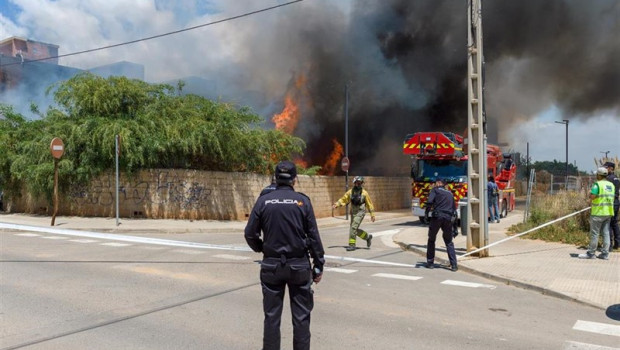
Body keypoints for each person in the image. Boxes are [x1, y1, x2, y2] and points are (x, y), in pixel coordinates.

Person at [244, 161, 325, 350]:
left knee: (271, 318)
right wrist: (318, 264)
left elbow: (249, 233)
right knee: (301, 318)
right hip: (299, 266)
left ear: (275, 178)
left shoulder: (264, 201)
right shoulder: (302, 201)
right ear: (294, 180)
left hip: (271, 267)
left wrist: (262, 248)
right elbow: (314, 236)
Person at [578, 167, 615, 260]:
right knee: (606, 233)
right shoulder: (611, 185)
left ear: (599, 175)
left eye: (596, 174)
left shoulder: (597, 185)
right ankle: (605, 254)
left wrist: (590, 195)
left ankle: (591, 253)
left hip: (598, 212)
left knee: (595, 234)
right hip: (608, 212)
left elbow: (592, 196)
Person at [332, 176, 375, 251]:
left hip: (360, 213)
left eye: (360, 183)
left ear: (362, 183)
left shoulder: (364, 193)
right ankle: (367, 237)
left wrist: (372, 215)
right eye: (357, 183)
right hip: (353, 213)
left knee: (353, 228)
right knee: (354, 229)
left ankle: (352, 245)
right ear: (354, 183)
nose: (358, 184)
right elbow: (344, 199)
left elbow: (369, 204)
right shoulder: (350, 192)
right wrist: (337, 204)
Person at [425, 178, 458, 271]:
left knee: (431, 239)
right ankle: (454, 265)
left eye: (436, 183)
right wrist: (455, 227)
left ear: (439, 183)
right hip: (448, 219)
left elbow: (430, 202)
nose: (435, 184)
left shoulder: (435, 190)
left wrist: (426, 214)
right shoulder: (450, 193)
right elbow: (454, 211)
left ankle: (430, 262)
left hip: (437, 218)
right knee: (449, 242)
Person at [603, 162, 620, 250]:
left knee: (608, 223)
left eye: (606, 167)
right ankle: (617, 244)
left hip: (611, 203)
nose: (605, 169)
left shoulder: (609, 179)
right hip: (616, 202)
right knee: (615, 223)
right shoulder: (616, 178)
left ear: (611, 168)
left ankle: (609, 246)